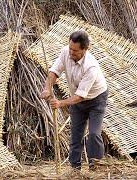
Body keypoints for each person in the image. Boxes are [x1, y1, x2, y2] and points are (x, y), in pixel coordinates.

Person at [40, 30, 108, 170]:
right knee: (76, 135)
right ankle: (74, 169)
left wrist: (60, 103)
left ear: (85, 49)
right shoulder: (66, 51)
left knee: (94, 134)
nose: (71, 52)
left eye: (75, 50)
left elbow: (80, 96)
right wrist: (47, 88)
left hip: (96, 99)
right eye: (70, 48)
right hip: (77, 100)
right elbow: (54, 72)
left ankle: (96, 167)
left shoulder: (91, 67)